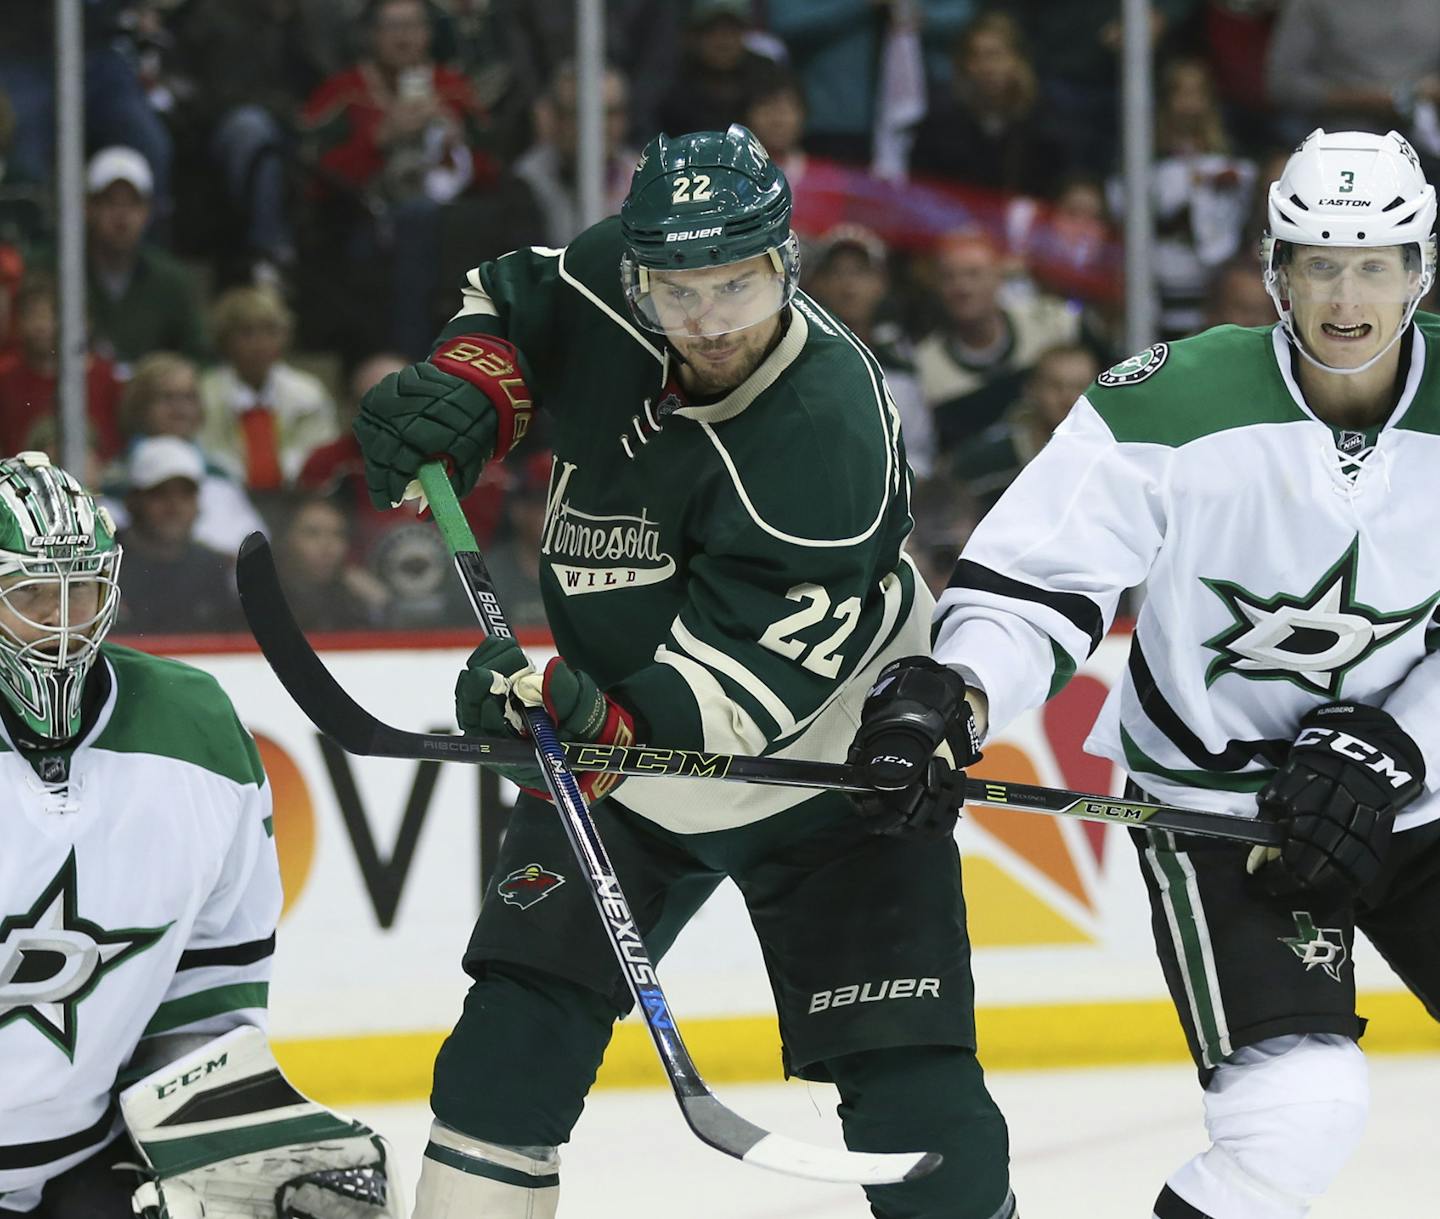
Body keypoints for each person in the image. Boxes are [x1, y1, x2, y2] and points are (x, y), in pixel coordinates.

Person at [352, 123, 1016, 1219]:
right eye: (678, 293)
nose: (709, 325)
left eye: (738, 288)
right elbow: (512, 296)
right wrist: (473, 384)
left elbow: (739, 689)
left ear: (784, 263)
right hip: (629, 770)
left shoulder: (832, 434)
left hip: (831, 772)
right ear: (639, 274)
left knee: (910, 1091)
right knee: (508, 1043)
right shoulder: (617, 278)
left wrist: (586, 724)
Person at [848, 128, 1440, 1219]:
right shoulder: (1168, 404)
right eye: (1316, 261)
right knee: (1301, 1113)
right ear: (1275, 271)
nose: (1345, 297)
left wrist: (1399, 741)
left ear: (1422, 270)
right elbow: (1036, 589)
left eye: (1374, 264)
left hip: (1423, 801)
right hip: (1229, 817)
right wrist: (957, 696)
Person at [0, 450, 399, 1218]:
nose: (63, 625)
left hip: (83, 1162)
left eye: (81, 590)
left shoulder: (198, 730)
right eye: (31, 596)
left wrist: (237, 1144)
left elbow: (206, 990)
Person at [112, 350, 267, 556]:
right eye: (167, 397)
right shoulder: (116, 479)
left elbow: (254, 551)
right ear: (140, 406)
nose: (180, 409)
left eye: (189, 398)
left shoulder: (220, 476)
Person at [198, 286, 339, 491]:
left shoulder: (308, 393)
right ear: (225, 340)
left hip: (296, 497)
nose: (260, 344)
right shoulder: (203, 394)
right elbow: (208, 457)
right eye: (247, 333)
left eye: (271, 331)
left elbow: (321, 458)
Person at [81, 147, 210, 371]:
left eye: (132, 203)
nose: (121, 215)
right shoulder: (59, 272)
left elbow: (199, 357)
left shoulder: (172, 279)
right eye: (110, 202)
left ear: (147, 211)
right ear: (89, 208)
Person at [113, 437, 245, 636]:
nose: (174, 507)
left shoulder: (212, 567)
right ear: (132, 501)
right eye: (160, 494)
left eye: (186, 495)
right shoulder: (104, 563)